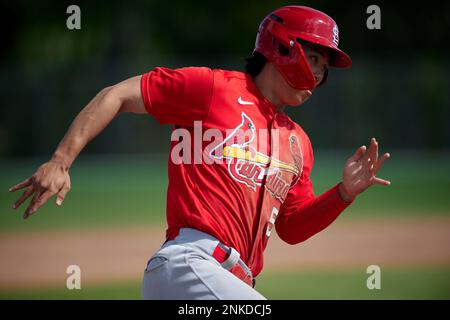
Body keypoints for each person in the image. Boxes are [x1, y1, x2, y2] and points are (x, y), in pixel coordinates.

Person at [9, 5, 390, 299]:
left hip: (218, 281)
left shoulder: (298, 143)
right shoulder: (212, 89)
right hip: (190, 265)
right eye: (315, 59)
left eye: (325, 67)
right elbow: (119, 94)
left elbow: (290, 227)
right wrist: (61, 160)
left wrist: (342, 196)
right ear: (283, 46)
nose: (321, 74)